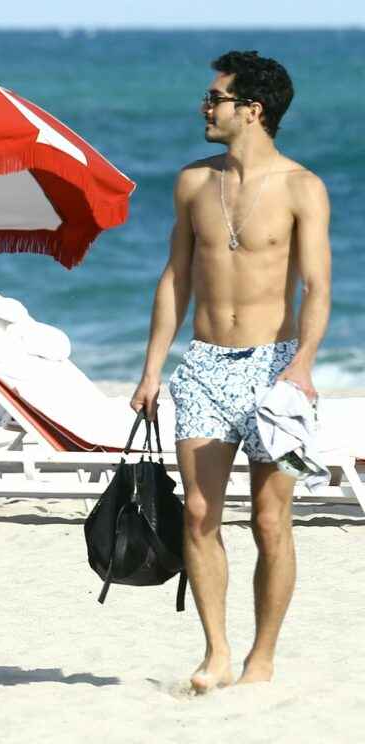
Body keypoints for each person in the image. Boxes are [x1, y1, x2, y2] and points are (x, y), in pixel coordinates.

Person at [131, 51, 331, 692]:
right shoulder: (194, 182)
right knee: (197, 512)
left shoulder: (302, 187)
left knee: (270, 521)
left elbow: (317, 287)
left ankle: (261, 658)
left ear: (252, 109)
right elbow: (176, 279)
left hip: (276, 370)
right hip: (204, 365)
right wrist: (152, 369)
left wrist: (302, 365)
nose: (205, 107)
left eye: (215, 98)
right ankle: (216, 653)